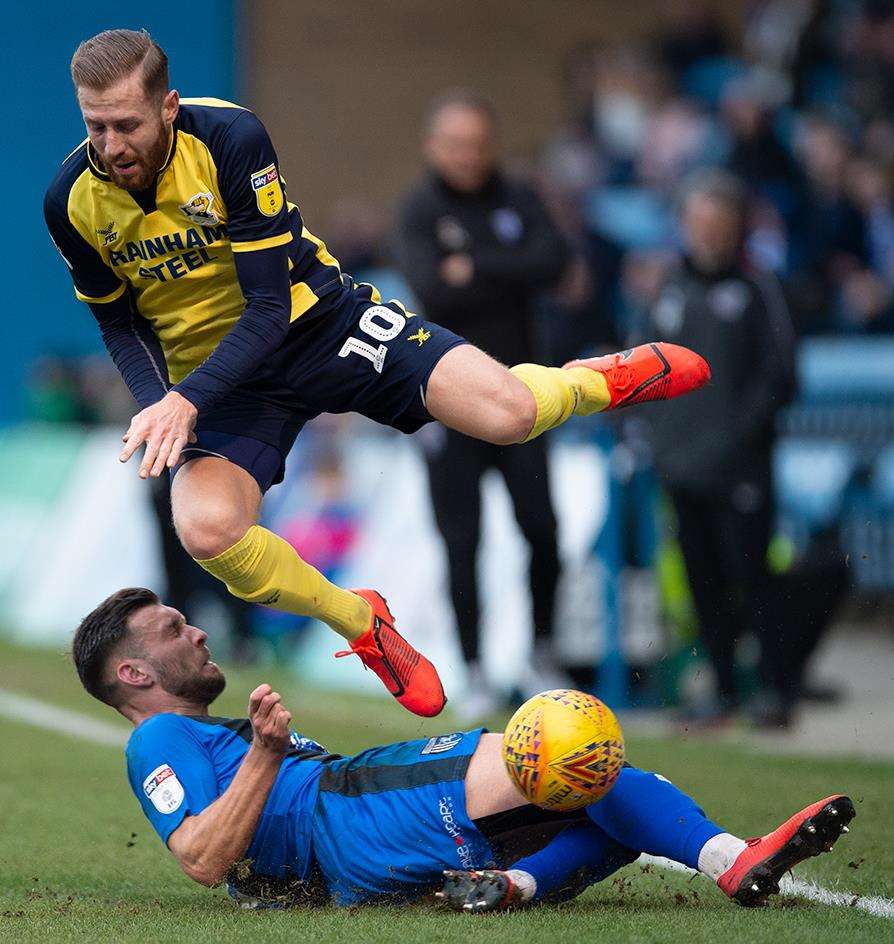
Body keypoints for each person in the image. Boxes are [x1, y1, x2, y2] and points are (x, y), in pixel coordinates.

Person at [45, 29, 709, 719]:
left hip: (317, 324)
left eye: (127, 124)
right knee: (205, 530)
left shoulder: (231, 140)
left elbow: (270, 307)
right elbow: (119, 323)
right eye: (96, 126)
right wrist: (161, 404)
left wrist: (185, 399)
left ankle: (593, 381)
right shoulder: (70, 203)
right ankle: (362, 623)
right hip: (220, 382)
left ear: (170, 107)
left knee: (510, 416)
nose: (113, 145)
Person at [70, 586, 855, 911]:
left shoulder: (190, 733)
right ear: (134, 672)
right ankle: (731, 859)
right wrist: (271, 758)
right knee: (566, 742)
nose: (198, 630)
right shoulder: (162, 736)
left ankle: (508, 884)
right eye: (174, 630)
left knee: (606, 811)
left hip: (345, 844)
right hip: (344, 816)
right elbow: (202, 860)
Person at [395, 92, 572, 715]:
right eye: (456, 144)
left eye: (478, 144)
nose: (469, 157)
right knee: (462, 539)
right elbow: (432, 287)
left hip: (523, 394)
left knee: (543, 529)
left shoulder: (517, 194)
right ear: (433, 147)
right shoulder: (419, 208)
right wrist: (502, 271)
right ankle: (473, 669)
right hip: (447, 398)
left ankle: (542, 652)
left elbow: (555, 262)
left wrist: (478, 265)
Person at [637, 169, 797, 727]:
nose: (707, 234)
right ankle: (724, 688)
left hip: (741, 469)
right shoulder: (667, 286)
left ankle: (775, 690)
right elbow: (643, 369)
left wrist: (735, 439)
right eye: (698, 223)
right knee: (703, 584)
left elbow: (780, 377)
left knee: (753, 577)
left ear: (738, 229)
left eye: (719, 224)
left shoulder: (758, 287)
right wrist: (657, 439)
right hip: (681, 468)